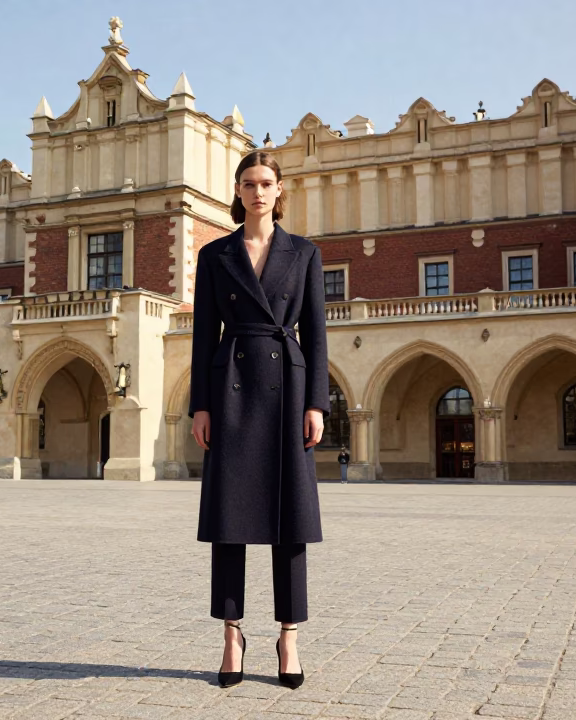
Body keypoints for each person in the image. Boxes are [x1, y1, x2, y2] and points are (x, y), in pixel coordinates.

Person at [189, 151, 329, 691]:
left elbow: (316, 332)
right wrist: (201, 405)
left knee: (291, 521)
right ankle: (232, 635)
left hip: (288, 387)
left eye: (266, 183)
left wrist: (315, 403)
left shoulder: (305, 252)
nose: (258, 191)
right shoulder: (215, 254)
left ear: (279, 190)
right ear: (238, 190)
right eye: (249, 183)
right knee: (230, 520)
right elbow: (204, 335)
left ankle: (289, 637)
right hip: (232, 384)